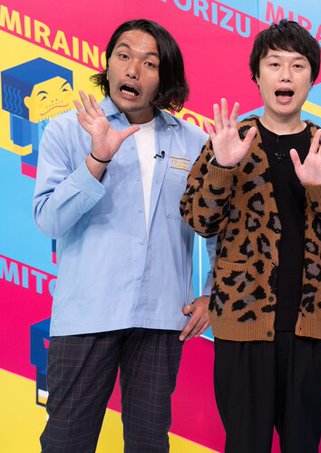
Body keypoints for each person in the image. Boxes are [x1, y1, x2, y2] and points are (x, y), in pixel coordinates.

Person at [180, 19, 321, 453]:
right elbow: (197, 219)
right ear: (257, 75)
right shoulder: (229, 141)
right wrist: (223, 168)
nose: (286, 75)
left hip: (310, 328)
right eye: (274, 64)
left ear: (312, 78)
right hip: (242, 325)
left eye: (298, 65)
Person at [33, 19, 212, 453]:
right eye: (124, 56)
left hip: (161, 317)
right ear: (108, 64)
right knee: (66, 442)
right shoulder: (67, 130)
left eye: (149, 63)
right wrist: (96, 159)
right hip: (87, 314)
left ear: (165, 78)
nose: (133, 70)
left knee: (149, 443)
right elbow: (49, 220)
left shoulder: (195, 142)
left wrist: (212, 293)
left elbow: (218, 226)